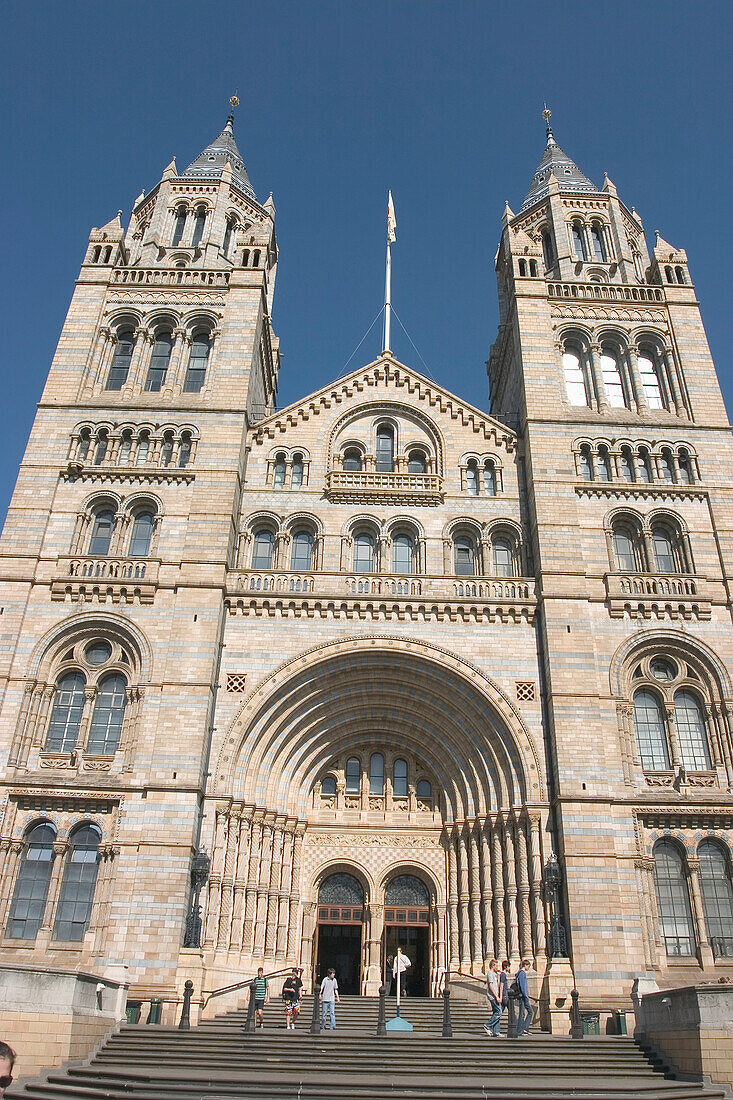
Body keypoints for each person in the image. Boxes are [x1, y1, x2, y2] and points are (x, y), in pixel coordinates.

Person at [516, 959, 535, 1037]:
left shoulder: (519, 973)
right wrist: (526, 996)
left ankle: (523, 1029)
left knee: (523, 1013)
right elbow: (523, 986)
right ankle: (522, 1029)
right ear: (526, 965)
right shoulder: (522, 973)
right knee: (529, 1012)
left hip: (522, 996)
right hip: (523, 996)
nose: (528, 968)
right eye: (528, 966)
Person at [484, 959, 503, 1036]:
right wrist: (496, 996)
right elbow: (490, 985)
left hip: (495, 995)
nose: (497, 967)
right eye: (496, 965)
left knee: (496, 1012)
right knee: (499, 1012)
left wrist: (498, 976)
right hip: (492, 996)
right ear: (493, 966)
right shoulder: (490, 974)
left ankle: (496, 1031)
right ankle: (488, 1025)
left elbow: (497, 985)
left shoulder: (494, 974)